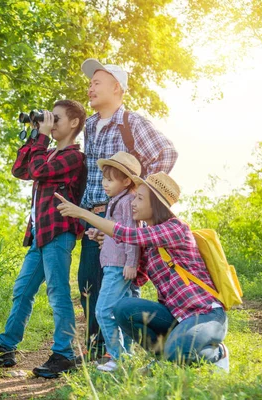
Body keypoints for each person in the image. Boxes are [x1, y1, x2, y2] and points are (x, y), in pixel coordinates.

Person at [55, 172, 230, 372]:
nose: (133, 203)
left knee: (179, 352)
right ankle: (165, 358)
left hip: (204, 315)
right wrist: (109, 244)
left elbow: (128, 234)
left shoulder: (176, 228)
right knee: (124, 308)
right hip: (174, 317)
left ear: (155, 204)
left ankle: (218, 353)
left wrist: (83, 213)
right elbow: (136, 279)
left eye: (139, 198)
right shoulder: (148, 245)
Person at [0, 100, 87, 379]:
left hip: (59, 232)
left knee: (58, 293)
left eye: (56, 118)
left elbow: (37, 171)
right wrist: (35, 133)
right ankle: (5, 348)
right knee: (22, 290)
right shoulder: (47, 153)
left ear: (74, 123)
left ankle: (64, 354)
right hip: (39, 234)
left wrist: (40, 137)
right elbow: (19, 169)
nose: (51, 122)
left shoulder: (75, 157)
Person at [77, 59, 178, 359]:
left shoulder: (131, 122)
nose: (90, 87)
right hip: (94, 216)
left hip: (121, 219)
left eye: (97, 82)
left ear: (116, 88)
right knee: (89, 282)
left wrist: (139, 193)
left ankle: (116, 355)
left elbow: (167, 152)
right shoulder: (91, 125)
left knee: (116, 284)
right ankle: (105, 351)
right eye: (90, 83)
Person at [85, 151, 141, 373]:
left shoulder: (127, 202)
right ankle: (127, 358)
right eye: (103, 178)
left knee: (103, 310)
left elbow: (131, 233)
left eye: (110, 179)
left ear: (126, 181)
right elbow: (113, 231)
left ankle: (117, 357)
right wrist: (96, 232)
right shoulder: (115, 201)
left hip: (119, 265)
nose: (104, 184)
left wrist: (131, 262)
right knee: (122, 312)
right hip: (113, 263)